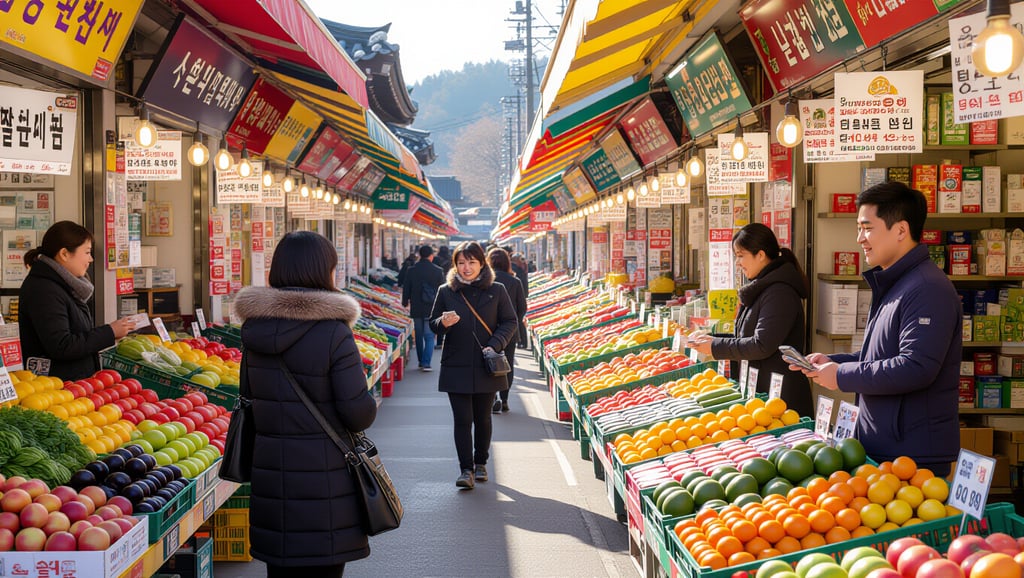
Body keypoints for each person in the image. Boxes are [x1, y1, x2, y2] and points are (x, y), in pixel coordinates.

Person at [233, 231, 378, 578]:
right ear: (323, 271)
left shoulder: (255, 331)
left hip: (271, 475)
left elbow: (248, 396)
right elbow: (357, 413)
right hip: (325, 480)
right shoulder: (334, 333)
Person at [792, 182, 961, 476]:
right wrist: (834, 362)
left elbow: (916, 367)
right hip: (888, 444)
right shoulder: (897, 282)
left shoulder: (927, 288)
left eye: (867, 228)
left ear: (900, 230)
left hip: (912, 454)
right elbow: (881, 355)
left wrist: (841, 376)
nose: (860, 238)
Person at [689, 223, 814, 417]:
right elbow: (745, 336)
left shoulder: (779, 292)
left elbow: (762, 344)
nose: (737, 263)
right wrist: (711, 338)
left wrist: (716, 346)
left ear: (761, 255)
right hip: (764, 393)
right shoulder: (761, 288)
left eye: (741, 255)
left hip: (781, 399)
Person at [430, 241, 518, 489]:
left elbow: (510, 321)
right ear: (455, 264)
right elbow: (432, 323)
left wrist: (496, 344)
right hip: (455, 363)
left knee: (482, 418)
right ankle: (465, 470)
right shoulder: (446, 291)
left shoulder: (497, 290)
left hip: (485, 364)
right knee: (461, 419)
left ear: (482, 263)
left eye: (471, 262)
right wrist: (442, 323)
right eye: (461, 262)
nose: (466, 267)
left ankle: (481, 463)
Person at [19, 221, 135, 380]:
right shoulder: (43, 289)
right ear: (64, 254)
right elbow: (62, 345)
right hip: (56, 389)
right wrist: (109, 332)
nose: (91, 259)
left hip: (73, 385)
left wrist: (111, 333)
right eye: (87, 252)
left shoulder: (62, 284)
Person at [487, 247, 526, 413]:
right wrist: (513, 321)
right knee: (507, 364)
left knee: (489, 362)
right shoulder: (514, 281)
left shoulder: (485, 281)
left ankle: (492, 397)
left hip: (488, 331)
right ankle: (504, 399)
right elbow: (522, 307)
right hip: (509, 331)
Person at [402, 245, 444, 371]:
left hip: (416, 307)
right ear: (431, 256)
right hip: (431, 308)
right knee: (429, 336)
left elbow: (406, 287)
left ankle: (421, 361)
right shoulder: (438, 271)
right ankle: (426, 363)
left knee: (419, 335)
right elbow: (442, 290)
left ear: (420, 255)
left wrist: (405, 301)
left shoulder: (412, 270)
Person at [510, 253, 529, 348]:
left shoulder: (515, 268)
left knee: (517, 321)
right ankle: (523, 341)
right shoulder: (521, 268)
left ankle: (520, 341)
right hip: (520, 297)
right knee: (519, 321)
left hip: (515, 299)